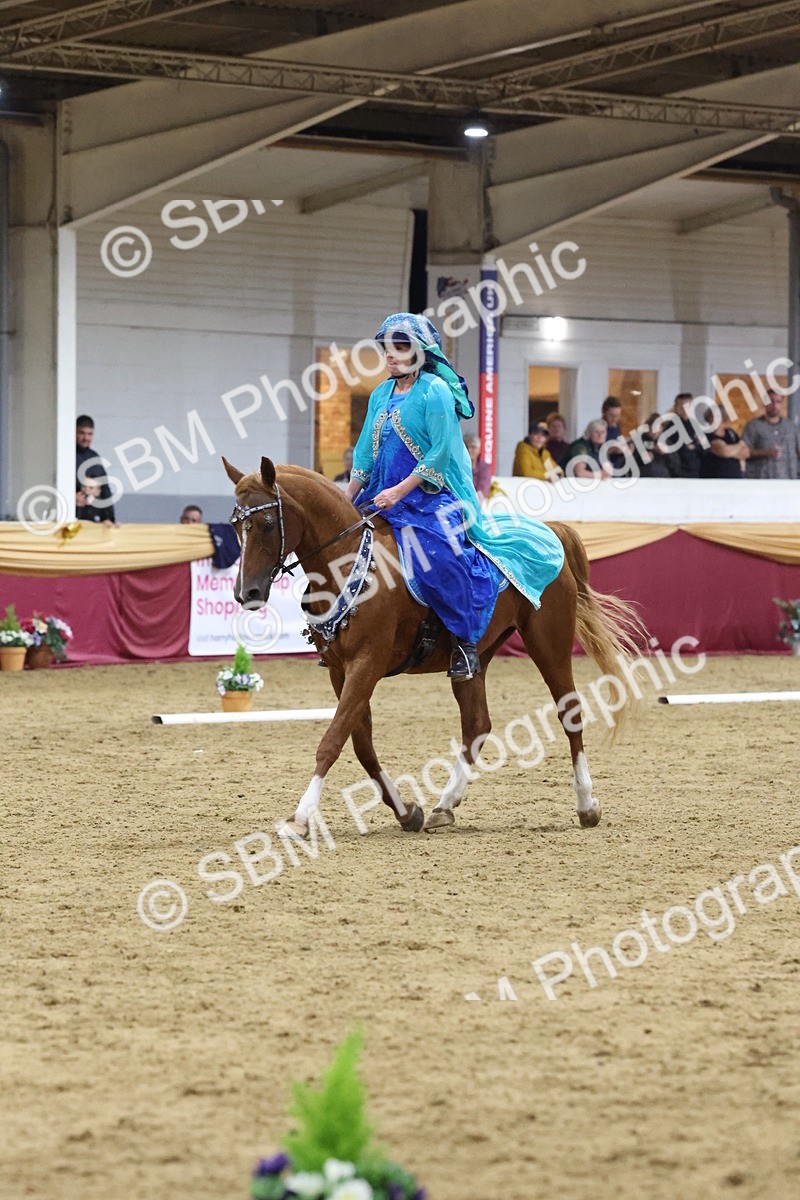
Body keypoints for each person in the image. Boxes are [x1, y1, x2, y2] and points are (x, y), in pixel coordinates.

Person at [347, 312, 565, 681]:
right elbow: (365, 454)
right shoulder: (380, 393)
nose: (391, 356)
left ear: (420, 351)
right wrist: (348, 497)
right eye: (387, 348)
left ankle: (464, 642)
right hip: (380, 493)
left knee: (440, 554)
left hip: (431, 496)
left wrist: (399, 491)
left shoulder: (435, 391)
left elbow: (441, 452)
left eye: (400, 347)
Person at [742, 390, 800, 480]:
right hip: (761, 481)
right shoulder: (753, 426)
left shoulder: (791, 427)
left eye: (778, 402)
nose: (775, 405)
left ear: (782, 404)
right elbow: (743, 452)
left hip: (788, 481)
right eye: (771, 401)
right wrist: (766, 452)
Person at [75, 415, 118, 525]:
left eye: (89, 434)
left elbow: (105, 490)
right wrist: (71, 498)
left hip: (92, 517)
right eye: (82, 433)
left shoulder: (94, 458)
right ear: (74, 432)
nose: (86, 438)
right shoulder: (66, 455)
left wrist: (109, 518)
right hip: (70, 516)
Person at [664, 393, 703, 478]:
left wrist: (695, 447)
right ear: (676, 407)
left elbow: (705, 447)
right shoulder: (670, 427)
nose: (685, 410)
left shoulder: (695, 426)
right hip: (678, 473)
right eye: (682, 407)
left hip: (695, 472)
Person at [700, 414, 750, 478]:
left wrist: (730, 450)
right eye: (711, 420)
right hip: (714, 477)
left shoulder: (731, 433)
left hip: (735, 477)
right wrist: (740, 446)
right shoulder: (706, 435)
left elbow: (746, 453)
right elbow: (724, 451)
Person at [464, 434, 492, 500]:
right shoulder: (457, 467)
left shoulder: (484, 467)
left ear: (479, 450)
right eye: (466, 447)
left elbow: (482, 490)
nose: (469, 450)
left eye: (473, 447)